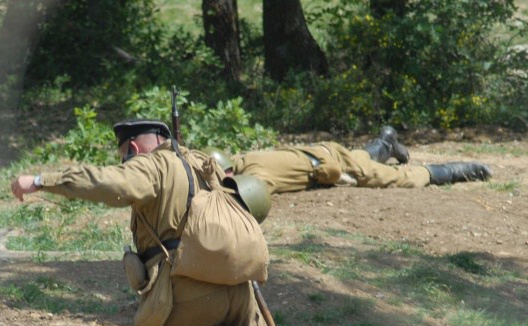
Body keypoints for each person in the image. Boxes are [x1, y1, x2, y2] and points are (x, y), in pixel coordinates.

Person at [11, 118, 393, 326]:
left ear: (132, 148)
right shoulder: (207, 167)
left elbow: (111, 184)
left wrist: (43, 181)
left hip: (185, 287)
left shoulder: (154, 164)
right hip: (239, 287)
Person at [204, 126, 492, 195]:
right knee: (358, 160)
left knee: (394, 178)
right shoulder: (247, 157)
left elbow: (245, 199)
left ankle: (452, 170)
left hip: (329, 165)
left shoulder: (254, 174)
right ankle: (385, 142)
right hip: (326, 151)